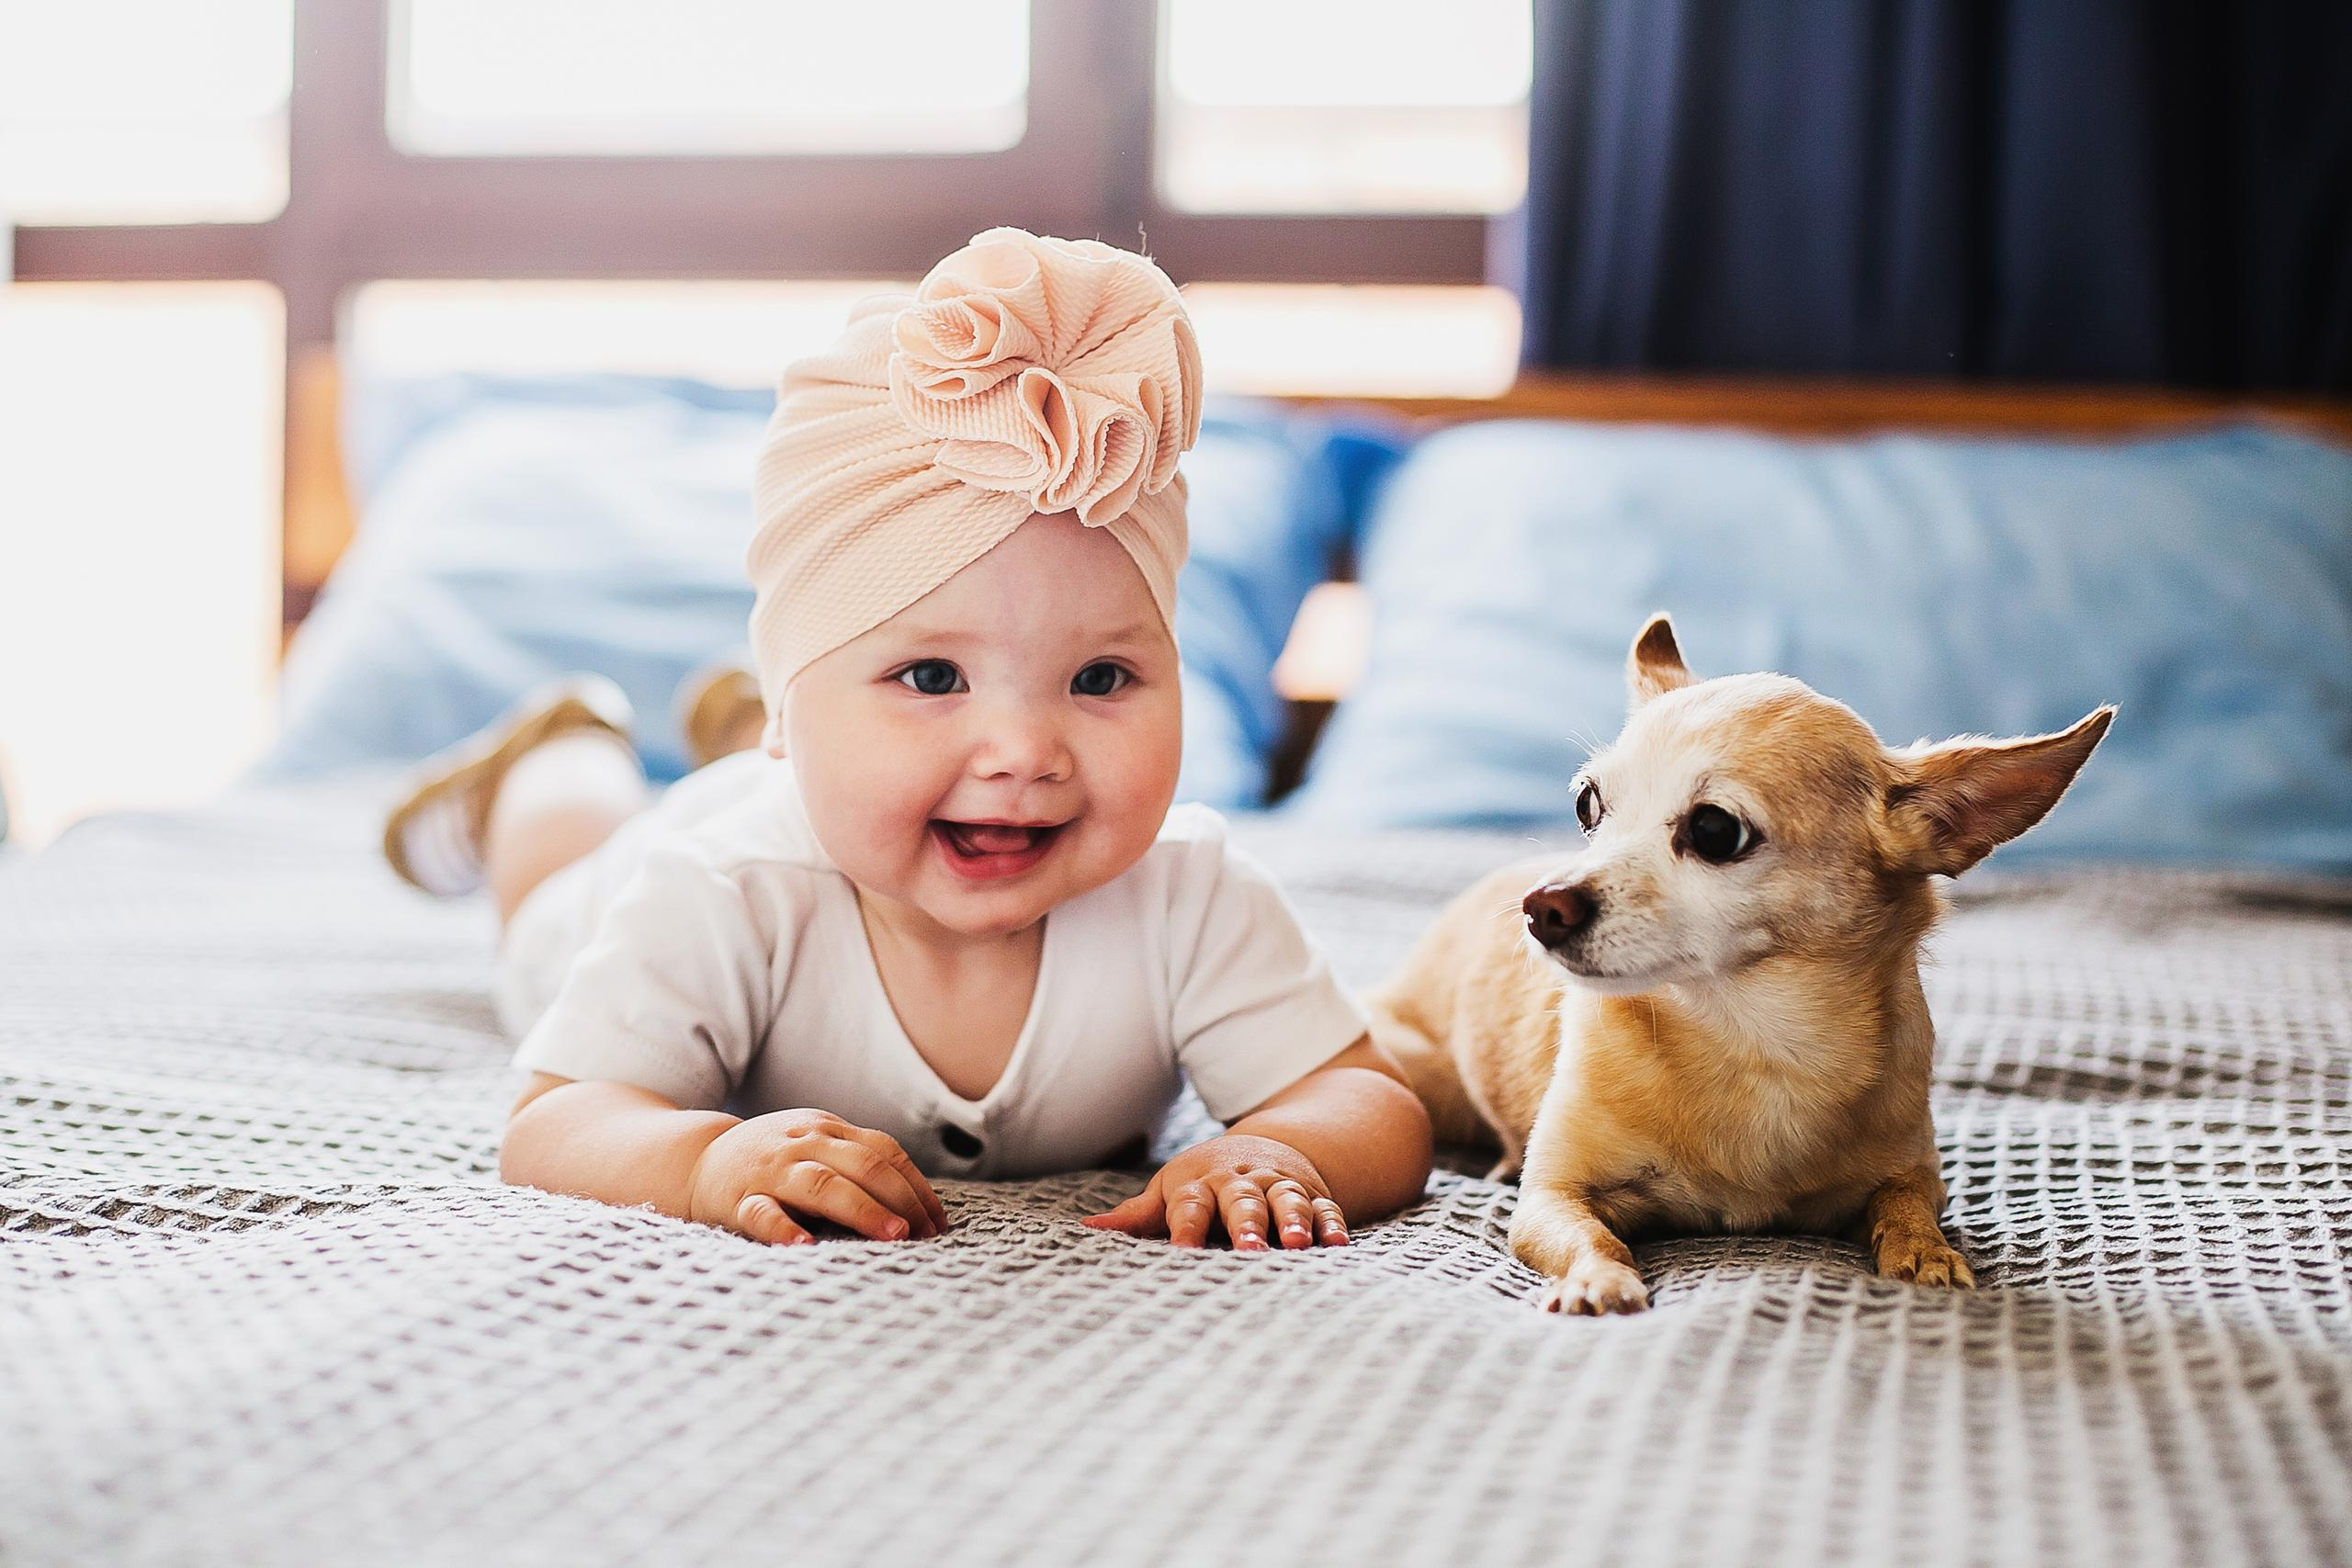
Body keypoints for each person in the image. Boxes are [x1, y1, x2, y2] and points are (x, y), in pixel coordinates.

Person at [381, 228, 1432, 1252]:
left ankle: (741, 724)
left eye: (1100, 678)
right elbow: (557, 1122)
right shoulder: (719, 889)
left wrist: (1286, 1151)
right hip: (630, 881)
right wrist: (700, 1160)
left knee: (866, 772)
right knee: (552, 896)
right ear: (804, 705)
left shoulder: (1192, 897)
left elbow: (1366, 1102)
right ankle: (558, 752)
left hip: (810, 759)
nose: (1023, 749)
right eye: (931, 676)